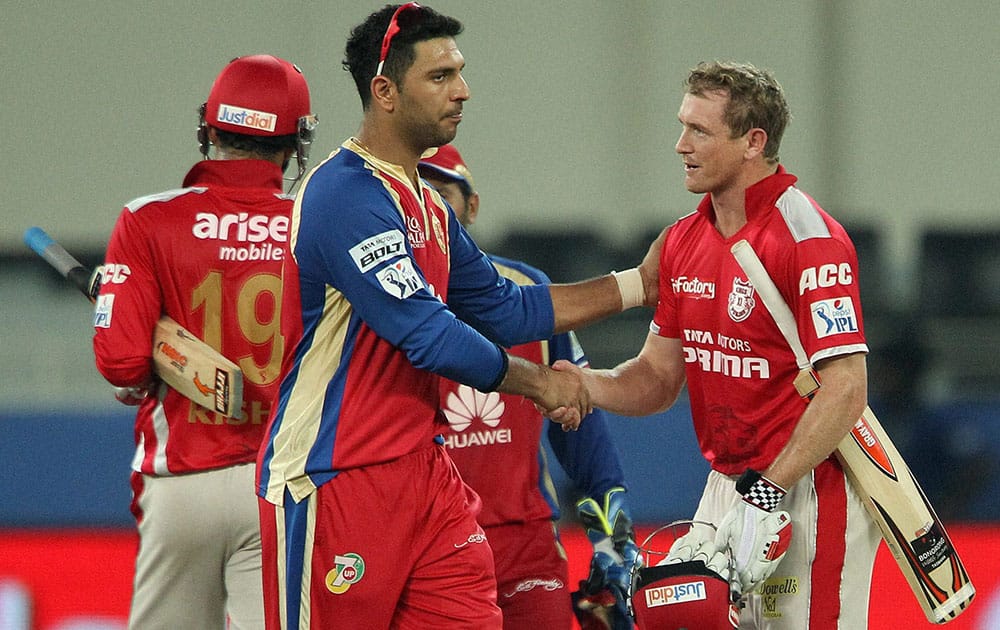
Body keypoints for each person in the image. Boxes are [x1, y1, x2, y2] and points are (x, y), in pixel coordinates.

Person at [254, 4, 660, 628]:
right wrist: (542, 383)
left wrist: (637, 284)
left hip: (425, 471)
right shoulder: (343, 194)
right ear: (384, 91)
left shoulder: (426, 206)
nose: (462, 90)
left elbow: (505, 307)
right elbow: (428, 334)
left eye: (460, 72)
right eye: (440, 76)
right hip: (337, 474)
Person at [553, 61, 883, 629]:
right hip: (728, 490)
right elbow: (657, 379)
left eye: (700, 131)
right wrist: (588, 384)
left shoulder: (811, 241)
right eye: (683, 126)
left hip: (809, 488)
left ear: (754, 141)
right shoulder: (681, 241)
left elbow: (847, 388)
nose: (680, 144)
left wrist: (767, 492)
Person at [92, 55, 317, 630]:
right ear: (294, 142)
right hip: (284, 484)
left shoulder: (148, 219)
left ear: (209, 128)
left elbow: (120, 362)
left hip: (181, 479)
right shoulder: (317, 224)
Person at [420, 144, 640, 630]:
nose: (426, 212)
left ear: (471, 207)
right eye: (413, 197)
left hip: (525, 548)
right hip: (425, 549)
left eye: (439, 196)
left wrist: (613, 543)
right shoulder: (375, 301)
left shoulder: (529, 292)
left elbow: (584, 440)